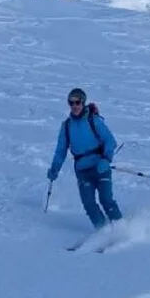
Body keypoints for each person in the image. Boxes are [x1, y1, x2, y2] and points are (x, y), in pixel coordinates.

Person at [47, 87, 123, 228]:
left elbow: (110, 140)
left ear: (83, 102)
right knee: (89, 204)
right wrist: (54, 169)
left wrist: (106, 159)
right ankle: (103, 231)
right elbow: (60, 151)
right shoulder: (67, 126)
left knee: (106, 200)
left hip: (100, 167)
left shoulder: (94, 120)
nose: (74, 106)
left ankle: (122, 228)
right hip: (82, 171)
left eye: (77, 102)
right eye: (71, 103)